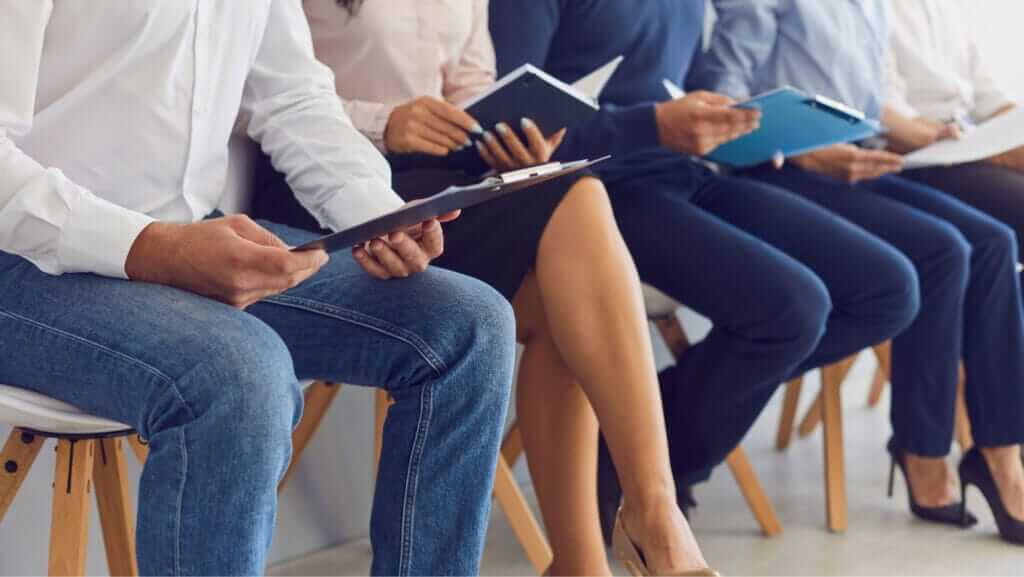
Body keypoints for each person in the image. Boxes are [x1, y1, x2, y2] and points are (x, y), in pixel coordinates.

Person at [0, 2, 520, 575]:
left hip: (185, 229)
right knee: (241, 374)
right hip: (22, 261)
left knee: (467, 325)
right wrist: (155, 248)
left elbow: (290, 94)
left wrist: (373, 211)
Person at [252, 1, 722, 574]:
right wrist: (385, 121)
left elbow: (473, 87)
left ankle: (609, 541)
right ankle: (639, 528)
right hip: (319, 187)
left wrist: (512, 134)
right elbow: (259, 96)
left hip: (438, 180)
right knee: (578, 207)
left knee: (570, 254)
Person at [488, 0, 921, 570]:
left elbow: (681, 87)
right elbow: (510, 122)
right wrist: (653, 124)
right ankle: (645, 486)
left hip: (686, 171)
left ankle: (624, 451)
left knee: (888, 286)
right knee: (794, 308)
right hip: (595, 196)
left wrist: (733, 120)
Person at [695, 0, 1024, 546]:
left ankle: (1000, 452)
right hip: (778, 168)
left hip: (855, 161)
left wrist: (911, 135)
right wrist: (803, 151)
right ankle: (923, 451)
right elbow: (721, 95)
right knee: (942, 251)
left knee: (991, 242)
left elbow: (870, 105)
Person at [884, 0, 1024, 261]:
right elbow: (892, 119)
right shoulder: (873, 11)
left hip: (966, 143)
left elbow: (990, 99)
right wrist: (996, 153)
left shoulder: (948, 8)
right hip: (922, 158)